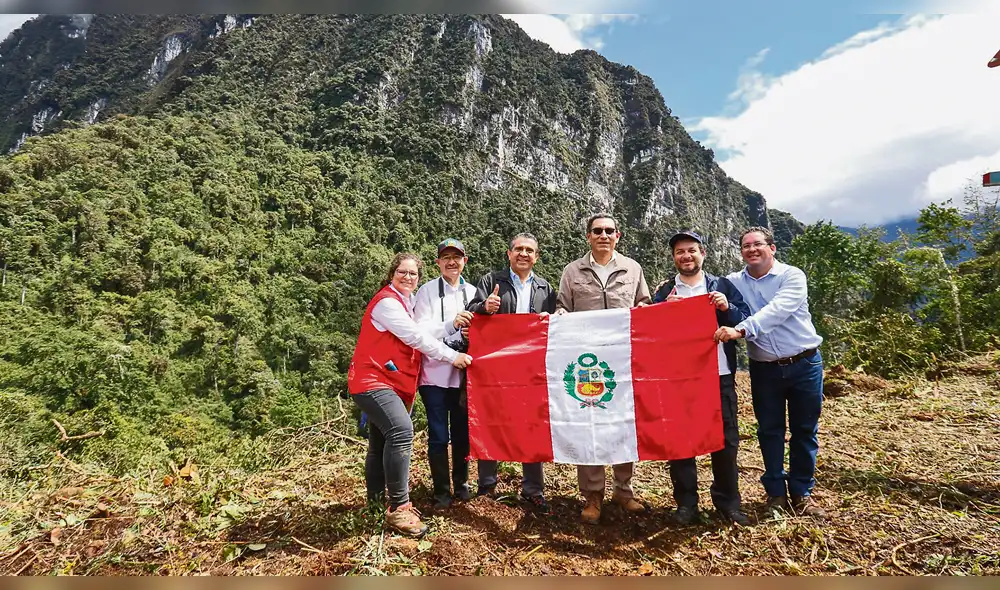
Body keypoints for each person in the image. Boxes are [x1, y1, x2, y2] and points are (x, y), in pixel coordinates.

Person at [347, 253, 474, 537]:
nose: (408, 277)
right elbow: (415, 338)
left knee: (380, 443)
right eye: (402, 272)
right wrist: (452, 356)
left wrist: (451, 326)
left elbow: (422, 331)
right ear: (392, 274)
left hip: (388, 381)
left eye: (413, 274)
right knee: (402, 432)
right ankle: (399, 507)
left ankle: (376, 502)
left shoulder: (405, 303)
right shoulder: (388, 303)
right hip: (373, 380)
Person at [714, 226, 827, 518]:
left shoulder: (792, 276)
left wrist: (740, 329)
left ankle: (802, 492)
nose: (752, 250)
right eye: (746, 246)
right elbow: (710, 297)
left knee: (804, 430)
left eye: (758, 245)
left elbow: (778, 310)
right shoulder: (733, 282)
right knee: (769, 431)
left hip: (804, 363)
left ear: (772, 248)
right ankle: (775, 492)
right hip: (764, 368)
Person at [554, 213, 651, 525]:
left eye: (609, 231)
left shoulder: (632, 268)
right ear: (588, 236)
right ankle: (592, 494)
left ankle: (624, 489)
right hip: (588, 362)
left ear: (618, 235)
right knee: (590, 423)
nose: (604, 235)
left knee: (623, 421)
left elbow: (644, 305)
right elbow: (562, 308)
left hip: (623, 361)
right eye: (597, 231)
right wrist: (560, 316)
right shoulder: (573, 271)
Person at [652, 231, 751, 526]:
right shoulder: (666, 290)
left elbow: (744, 318)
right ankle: (686, 503)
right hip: (679, 378)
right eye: (680, 252)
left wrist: (726, 308)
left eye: (691, 250)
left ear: (702, 253)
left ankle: (729, 502)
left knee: (726, 439)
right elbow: (653, 332)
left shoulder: (722, 286)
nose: (686, 256)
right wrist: (660, 311)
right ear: (674, 258)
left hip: (718, 374)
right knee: (681, 440)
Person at [467, 232, 557, 514]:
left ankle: (533, 490)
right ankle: (487, 486)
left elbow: (552, 326)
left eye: (529, 250)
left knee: (532, 424)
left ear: (536, 257)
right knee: (490, 420)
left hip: (530, 369)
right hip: (494, 368)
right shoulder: (490, 280)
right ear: (509, 254)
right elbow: (470, 310)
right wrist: (485, 307)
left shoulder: (544, 288)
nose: (523, 254)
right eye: (518, 249)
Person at [413, 238, 478, 509]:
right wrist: (450, 324)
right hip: (434, 376)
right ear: (438, 262)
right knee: (439, 434)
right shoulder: (427, 291)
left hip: (465, 378)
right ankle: (441, 492)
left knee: (463, 433)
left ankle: (461, 485)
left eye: (457, 257)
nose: (452, 262)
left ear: (465, 261)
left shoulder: (473, 292)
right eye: (446, 257)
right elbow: (419, 332)